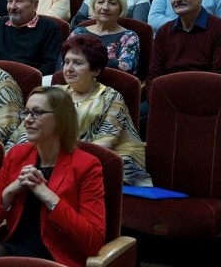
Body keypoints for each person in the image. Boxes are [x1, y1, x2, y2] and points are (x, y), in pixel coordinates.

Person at [0, 86, 106, 265]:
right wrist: (10, 191)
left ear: (60, 118)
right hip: (17, 249)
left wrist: (47, 195)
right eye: (26, 112)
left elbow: (93, 241)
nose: (27, 120)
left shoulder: (86, 165)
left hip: (59, 257)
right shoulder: (16, 155)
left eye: (37, 113)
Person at [13, 35, 151, 186]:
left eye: (78, 63)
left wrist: (58, 160)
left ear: (96, 70)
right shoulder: (52, 93)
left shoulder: (111, 97)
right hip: (51, 160)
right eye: (66, 62)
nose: (69, 68)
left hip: (103, 165)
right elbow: (24, 130)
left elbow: (105, 143)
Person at [146, 0, 221, 96]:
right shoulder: (164, 31)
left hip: (206, 100)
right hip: (168, 98)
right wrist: (156, 100)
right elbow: (154, 74)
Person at [0, 0, 62, 76]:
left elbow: (50, 66)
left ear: (35, 5)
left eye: (19, 1)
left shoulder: (49, 28)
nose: (12, 7)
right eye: (10, 1)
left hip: (30, 84)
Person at [70, 0, 140, 75]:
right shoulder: (78, 33)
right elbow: (63, 63)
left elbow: (126, 68)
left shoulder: (129, 37)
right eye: (100, 2)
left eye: (112, 3)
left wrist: (82, 60)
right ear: (93, 6)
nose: (105, 7)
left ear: (121, 8)